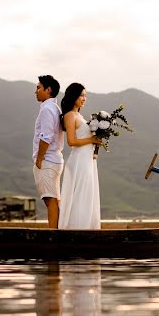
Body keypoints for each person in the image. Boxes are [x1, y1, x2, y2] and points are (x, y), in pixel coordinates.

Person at [58, 83, 103, 230]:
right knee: (80, 194)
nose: (84, 98)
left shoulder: (80, 116)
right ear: (73, 96)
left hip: (87, 160)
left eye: (85, 95)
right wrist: (91, 140)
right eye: (81, 95)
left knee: (87, 193)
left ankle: (87, 227)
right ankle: (77, 228)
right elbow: (71, 141)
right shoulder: (70, 115)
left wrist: (96, 144)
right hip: (79, 161)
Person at [33, 75, 64, 228]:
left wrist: (39, 159)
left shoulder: (47, 109)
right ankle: (56, 232)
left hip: (48, 160)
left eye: (38, 87)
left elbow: (46, 136)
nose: (35, 91)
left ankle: (53, 236)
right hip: (55, 159)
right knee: (54, 199)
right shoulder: (55, 108)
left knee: (50, 200)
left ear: (48, 89)